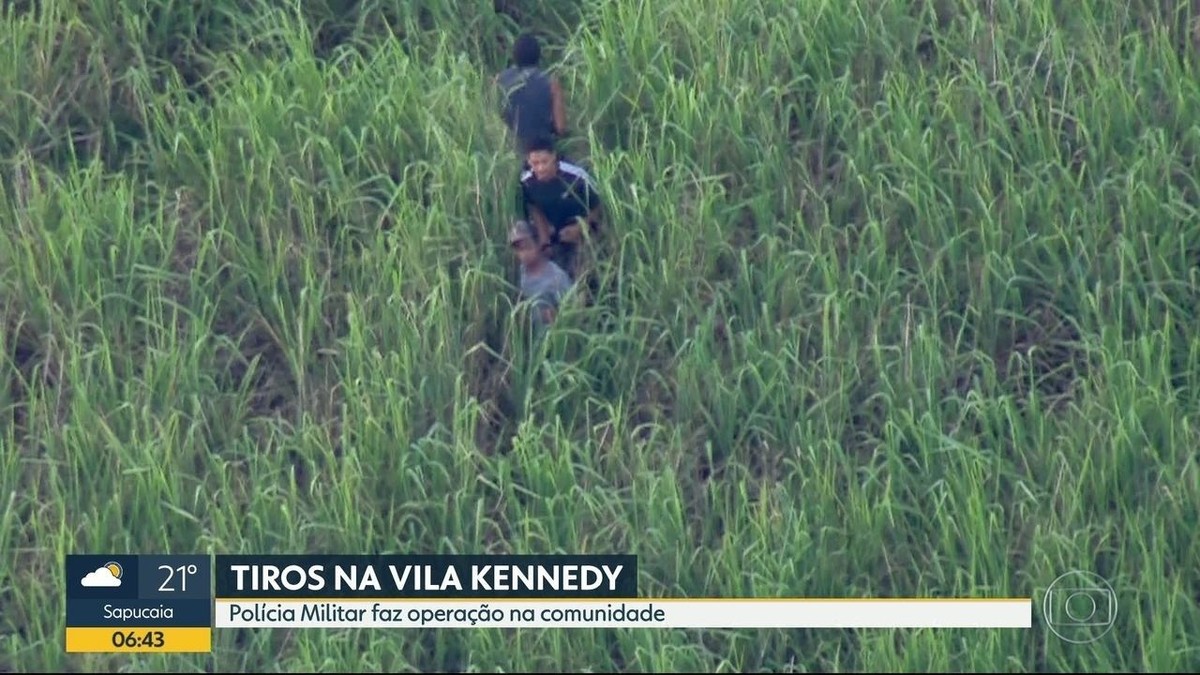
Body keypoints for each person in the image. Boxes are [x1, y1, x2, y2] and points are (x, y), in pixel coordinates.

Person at [519, 134, 602, 281]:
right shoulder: (527, 179)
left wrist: (580, 228)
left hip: (582, 228)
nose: (540, 168)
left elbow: (598, 205)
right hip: (551, 228)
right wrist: (544, 240)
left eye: (545, 162)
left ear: (554, 157)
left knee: (577, 270)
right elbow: (534, 206)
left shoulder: (576, 176)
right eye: (535, 163)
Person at [494, 34, 568, 159]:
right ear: (538, 55)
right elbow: (560, 127)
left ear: (514, 55)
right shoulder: (551, 83)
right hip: (542, 149)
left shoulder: (499, 80)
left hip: (509, 146)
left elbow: (493, 114)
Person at [509, 219, 573, 333]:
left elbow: (573, 309)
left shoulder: (557, 277)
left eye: (526, 247)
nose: (523, 254)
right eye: (518, 249)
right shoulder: (522, 271)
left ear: (538, 243)